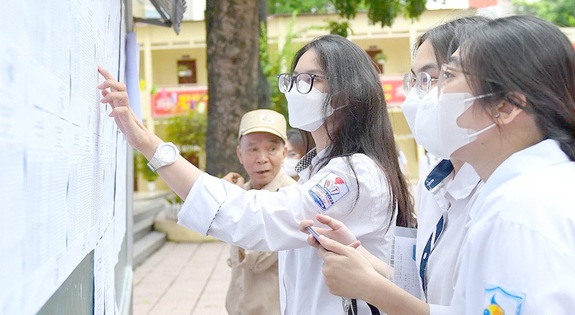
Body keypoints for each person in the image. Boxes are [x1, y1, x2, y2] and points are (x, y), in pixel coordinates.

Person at [98, 33, 414, 314]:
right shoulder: (322, 168)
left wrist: (152, 146)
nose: (295, 90)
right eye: (292, 80)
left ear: (345, 93)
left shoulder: (352, 173)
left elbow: (254, 217)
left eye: (310, 79)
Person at [308, 15, 575, 314]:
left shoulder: (520, 211)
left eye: (448, 76)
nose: (431, 96)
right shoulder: (536, 191)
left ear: (506, 107)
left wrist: (372, 287)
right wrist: (366, 266)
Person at [301, 14, 490, 311]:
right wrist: (358, 254)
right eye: (413, 80)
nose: (414, 96)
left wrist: (370, 288)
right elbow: (424, 289)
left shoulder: (501, 196)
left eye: (430, 78)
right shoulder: (436, 184)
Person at [221, 109, 296, 315]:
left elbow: (257, 261)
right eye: (252, 149)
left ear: (284, 152)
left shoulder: (292, 198)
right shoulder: (242, 193)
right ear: (240, 154)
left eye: (272, 148)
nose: (262, 158)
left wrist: (232, 205)